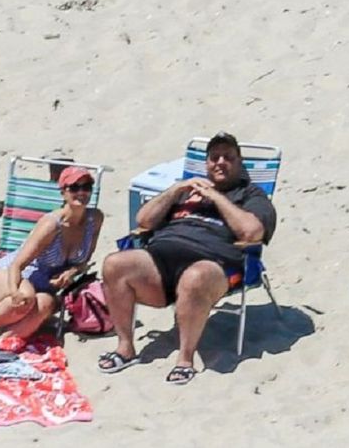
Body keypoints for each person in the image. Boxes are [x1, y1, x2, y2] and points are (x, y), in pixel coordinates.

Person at [98, 132, 277, 385]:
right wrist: (176, 189)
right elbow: (143, 221)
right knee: (114, 264)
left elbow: (252, 231)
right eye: (214, 158)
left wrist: (216, 197)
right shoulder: (185, 192)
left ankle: (185, 359)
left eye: (228, 157)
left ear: (239, 163)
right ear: (206, 164)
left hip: (214, 266)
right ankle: (125, 348)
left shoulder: (250, 195)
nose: (220, 162)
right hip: (161, 261)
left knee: (195, 277)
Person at [0, 166, 104, 341]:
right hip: (8, 276)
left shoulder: (95, 219)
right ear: (63, 192)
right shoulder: (51, 225)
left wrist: (71, 272)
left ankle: (2, 344)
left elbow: (84, 260)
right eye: (74, 187)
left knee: (47, 304)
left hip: (43, 286)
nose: (81, 192)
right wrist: (13, 292)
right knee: (26, 297)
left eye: (86, 187)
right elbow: (16, 265)